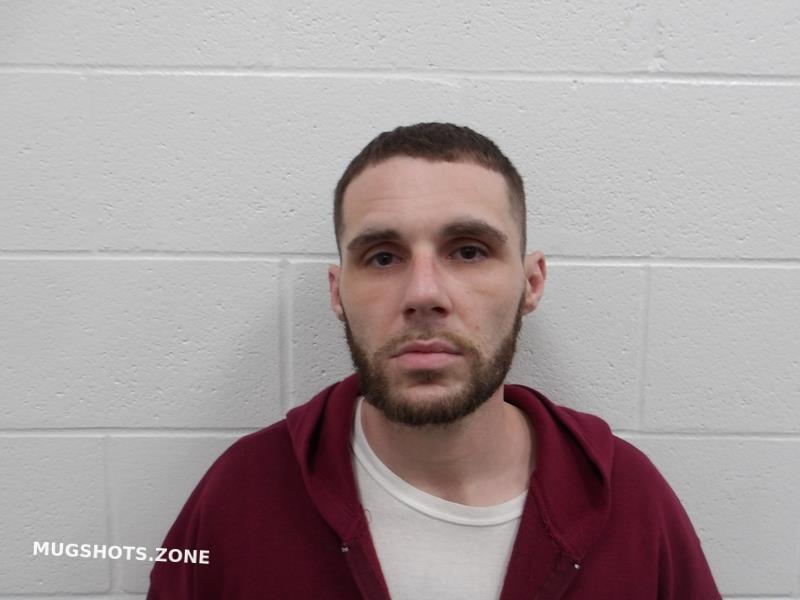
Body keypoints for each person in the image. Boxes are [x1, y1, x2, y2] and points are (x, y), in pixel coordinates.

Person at [147, 123, 721, 599]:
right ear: (337, 293)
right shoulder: (241, 495)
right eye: (383, 257)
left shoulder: (631, 503)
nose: (424, 293)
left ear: (531, 283)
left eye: (468, 251)